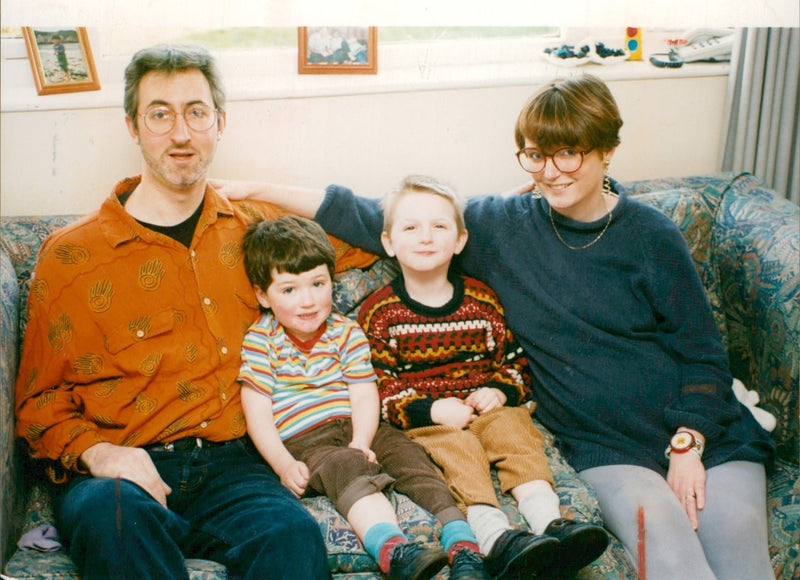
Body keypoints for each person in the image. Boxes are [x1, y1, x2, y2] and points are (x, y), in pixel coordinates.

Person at [211, 74, 776, 580]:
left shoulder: (652, 234)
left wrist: (688, 443)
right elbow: (365, 213)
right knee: (673, 560)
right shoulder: (499, 225)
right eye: (535, 155)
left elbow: (703, 353)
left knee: (742, 560)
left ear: (606, 149)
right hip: (607, 445)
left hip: (703, 433)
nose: (550, 172)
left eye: (569, 154)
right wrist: (255, 190)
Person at [12, 43, 376, 580]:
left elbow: (384, 233)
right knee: (110, 518)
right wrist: (99, 454)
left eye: (196, 112)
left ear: (219, 122)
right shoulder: (71, 256)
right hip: (122, 473)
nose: (180, 133)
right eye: (160, 114)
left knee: (291, 537)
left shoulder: (259, 230)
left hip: (236, 465)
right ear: (133, 127)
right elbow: (38, 403)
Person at [357, 175, 608, 580]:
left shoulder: (482, 299)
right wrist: (433, 408)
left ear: (459, 240)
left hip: (484, 404)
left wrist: (499, 389)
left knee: (515, 429)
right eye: (410, 227)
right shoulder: (379, 313)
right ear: (389, 242)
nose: (425, 237)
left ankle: (549, 523)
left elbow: (513, 362)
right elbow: (379, 386)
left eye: (439, 226)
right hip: (430, 420)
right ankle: (494, 536)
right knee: (459, 451)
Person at [238, 215, 490, 580]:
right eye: (289, 290)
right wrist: (282, 464)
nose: (307, 301)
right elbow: (257, 412)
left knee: (412, 458)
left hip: (361, 429)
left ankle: (462, 544)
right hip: (308, 441)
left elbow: (363, 393)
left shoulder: (345, 331)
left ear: (332, 282)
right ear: (263, 295)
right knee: (346, 465)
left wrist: (362, 440)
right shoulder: (262, 340)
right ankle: (395, 550)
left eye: (318, 284)